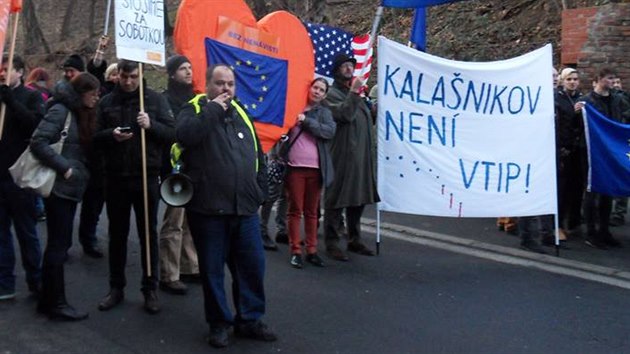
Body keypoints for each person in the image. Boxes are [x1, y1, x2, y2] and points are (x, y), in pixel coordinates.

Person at [176, 64, 277, 348]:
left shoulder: (242, 113)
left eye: (230, 84)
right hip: (208, 210)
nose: (226, 89)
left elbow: (258, 154)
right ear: (207, 85)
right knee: (212, 271)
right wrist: (213, 110)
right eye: (220, 84)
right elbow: (185, 135)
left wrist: (259, 191)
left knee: (252, 267)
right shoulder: (195, 109)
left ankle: (250, 319)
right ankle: (219, 323)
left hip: (244, 209)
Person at [94, 60, 175, 314]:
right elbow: (94, 138)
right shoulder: (106, 102)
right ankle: (116, 287)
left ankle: (150, 288)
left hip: (146, 176)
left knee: (147, 233)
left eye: (132, 76)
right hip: (116, 177)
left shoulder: (154, 100)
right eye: (123, 76)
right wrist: (111, 135)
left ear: (141, 75)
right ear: (116, 75)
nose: (128, 81)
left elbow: (171, 134)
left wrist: (151, 126)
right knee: (117, 234)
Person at [30, 73, 100, 320]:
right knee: (58, 247)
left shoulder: (80, 111)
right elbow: (38, 142)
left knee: (58, 245)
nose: (96, 98)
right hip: (60, 188)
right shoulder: (62, 111)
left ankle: (48, 300)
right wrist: (65, 168)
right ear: (81, 93)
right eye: (93, 93)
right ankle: (56, 303)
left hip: (70, 188)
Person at [323, 54, 380, 261]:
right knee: (336, 198)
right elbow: (344, 115)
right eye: (344, 66)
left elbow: (364, 120)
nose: (348, 69)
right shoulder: (330, 95)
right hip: (341, 155)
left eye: (350, 66)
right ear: (336, 71)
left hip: (362, 156)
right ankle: (331, 242)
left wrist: (373, 110)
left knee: (358, 198)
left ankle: (354, 239)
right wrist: (355, 93)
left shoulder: (356, 94)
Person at [0, 55, 44, 300]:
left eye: (7, 69)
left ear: (19, 72)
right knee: (1, 234)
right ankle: (5, 282)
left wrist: (12, 102)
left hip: (20, 175)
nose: (3, 73)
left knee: (26, 232)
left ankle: (36, 280)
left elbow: (34, 126)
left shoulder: (31, 96)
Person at [158, 55, 199, 295]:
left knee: (190, 221)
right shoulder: (164, 101)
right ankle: (169, 273)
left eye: (190, 67)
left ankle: (190, 266)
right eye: (183, 68)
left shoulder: (196, 99)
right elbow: (170, 132)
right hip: (175, 168)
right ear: (172, 74)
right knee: (174, 222)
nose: (188, 71)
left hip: (195, 166)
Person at [576, 67, 630, 249]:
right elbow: (576, 124)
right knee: (591, 191)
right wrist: (577, 111)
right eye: (609, 78)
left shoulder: (617, 99)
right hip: (591, 151)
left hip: (609, 151)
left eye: (614, 78)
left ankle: (604, 231)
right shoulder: (586, 101)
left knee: (607, 190)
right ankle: (591, 233)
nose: (612, 82)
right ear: (598, 79)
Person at [285, 78, 336, 269]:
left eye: (321, 90)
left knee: (312, 211)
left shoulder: (325, 113)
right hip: (295, 166)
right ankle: (296, 250)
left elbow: (328, 132)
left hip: (316, 168)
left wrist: (306, 121)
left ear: (324, 95)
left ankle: (312, 250)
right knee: (295, 209)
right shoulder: (295, 107)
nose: (317, 91)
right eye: (315, 87)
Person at [554, 68, 584, 241]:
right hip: (563, 149)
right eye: (569, 79)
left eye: (575, 79)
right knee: (562, 189)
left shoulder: (581, 98)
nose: (573, 82)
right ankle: (557, 225)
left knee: (576, 188)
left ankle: (573, 223)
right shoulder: (557, 99)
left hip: (577, 149)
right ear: (563, 81)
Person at [609, 76, 628, 227]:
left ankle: (619, 212)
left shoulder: (625, 100)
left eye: (618, 82)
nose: (616, 85)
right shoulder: (606, 100)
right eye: (613, 82)